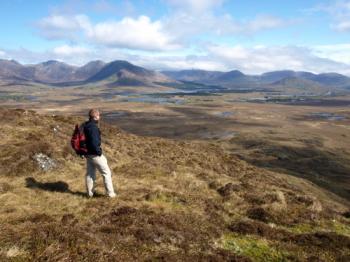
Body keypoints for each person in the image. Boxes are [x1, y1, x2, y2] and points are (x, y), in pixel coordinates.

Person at [83, 109, 116, 198]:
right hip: (94, 154)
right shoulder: (93, 127)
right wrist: (99, 152)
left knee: (90, 174)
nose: (99, 117)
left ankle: (89, 194)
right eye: (99, 115)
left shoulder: (86, 125)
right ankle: (110, 194)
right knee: (106, 173)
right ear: (95, 116)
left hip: (88, 154)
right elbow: (94, 142)